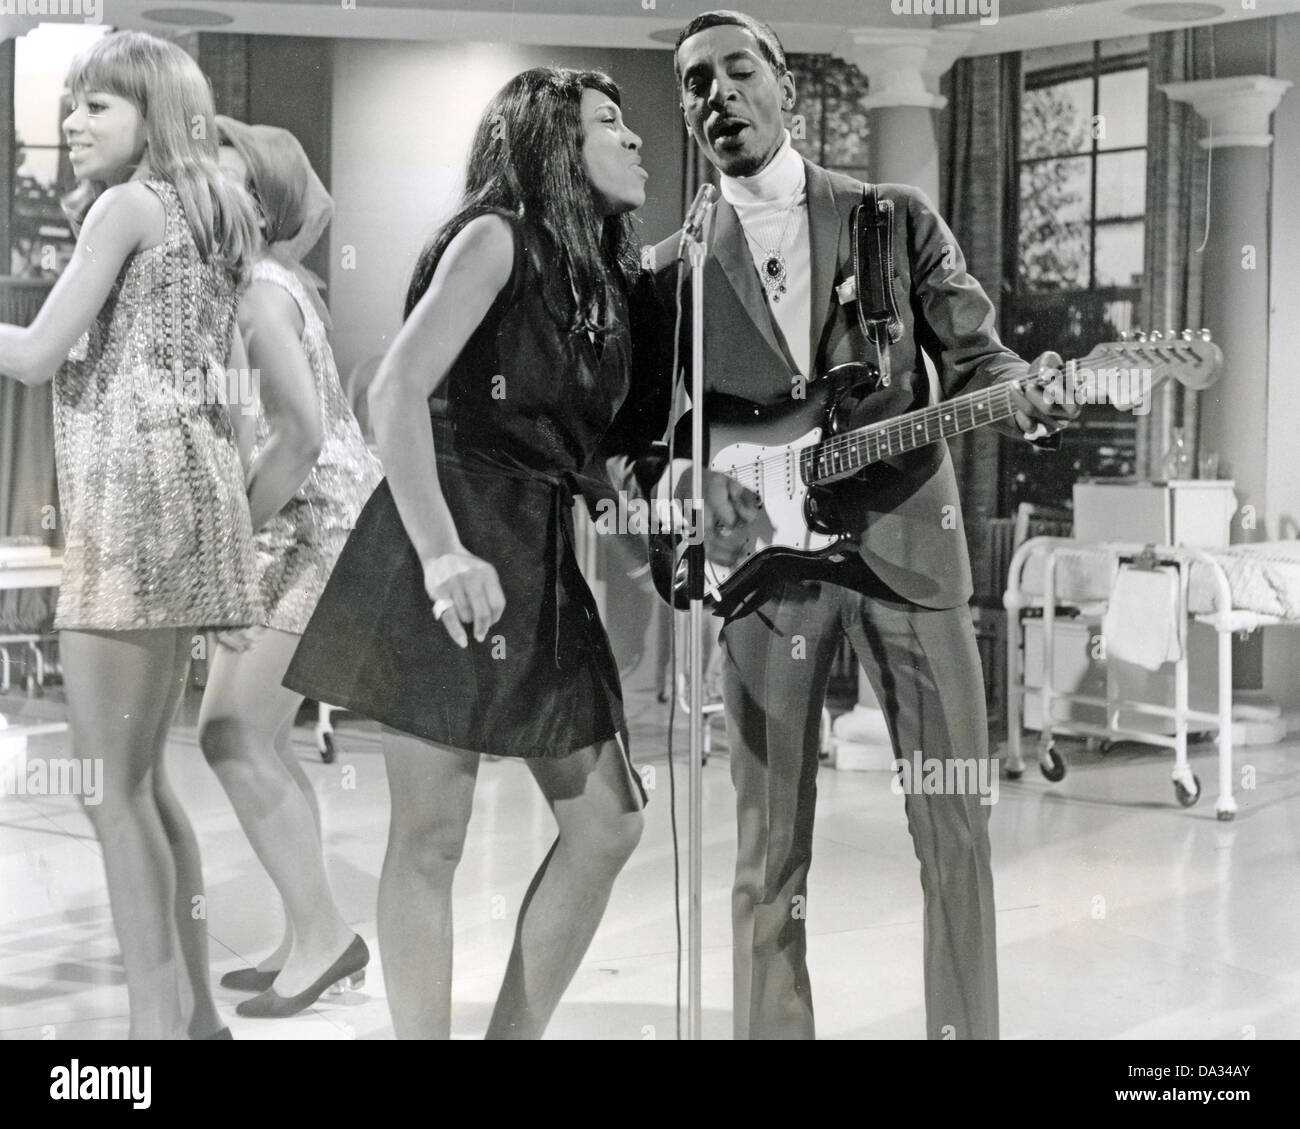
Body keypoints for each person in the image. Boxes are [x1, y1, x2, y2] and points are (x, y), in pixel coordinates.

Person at [624, 10, 1078, 1040]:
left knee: (954, 828)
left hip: (911, 549)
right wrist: (688, 499)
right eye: (695, 83)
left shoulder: (891, 218)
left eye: (739, 71)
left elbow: (979, 359)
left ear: (786, 85)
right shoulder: (669, 270)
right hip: (764, 574)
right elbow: (644, 445)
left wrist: (1027, 388)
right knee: (764, 854)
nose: (716, 95)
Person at [282, 67, 661, 1039]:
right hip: (444, 531)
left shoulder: (604, 280)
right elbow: (395, 390)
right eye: (609, 124)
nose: (638, 141)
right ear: (552, 145)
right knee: (434, 836)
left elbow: (588, 446)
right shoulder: (498, 238)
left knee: (608, 820)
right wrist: (444, 552)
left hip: (534, 545)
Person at [0, 30, 261, 1039]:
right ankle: (192, 1020)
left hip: (129, 502)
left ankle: (158, 1032)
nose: (73, 124)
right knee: (143, 783)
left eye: (98, 105)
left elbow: (33, 356)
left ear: (157, 112)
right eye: (71, 106)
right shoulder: (211, 207)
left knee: (111, 791)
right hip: (188, 496)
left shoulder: (125, 207)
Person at [195, 117, 381, 1018]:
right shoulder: (272, 279)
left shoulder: (260, 291)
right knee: (250, 734)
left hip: (315, 532)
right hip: (312, 527)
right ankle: (311, 933)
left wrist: (225, 549)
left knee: (230, 731)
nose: (205, 194)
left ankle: (322, 936)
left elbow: (302, 437)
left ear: (260, 201)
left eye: (227, 181)